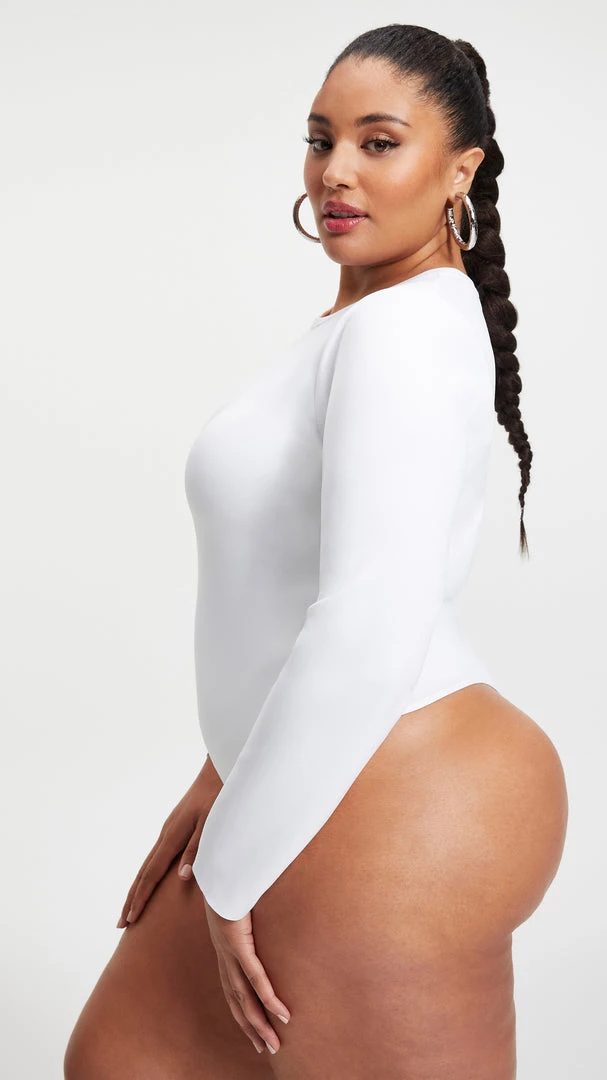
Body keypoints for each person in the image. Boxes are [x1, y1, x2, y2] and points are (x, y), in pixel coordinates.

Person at [64, 23, 568, 1080]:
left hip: (404, 792)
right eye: (320, 138)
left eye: (379, 142)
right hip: (312, 768)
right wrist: (228, 766)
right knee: (121, 1059)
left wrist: (234, 868)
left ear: (460, 169)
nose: (336, 170)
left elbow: (368, 624)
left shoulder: (405, 332)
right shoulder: (367, 325)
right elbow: (287, 584)